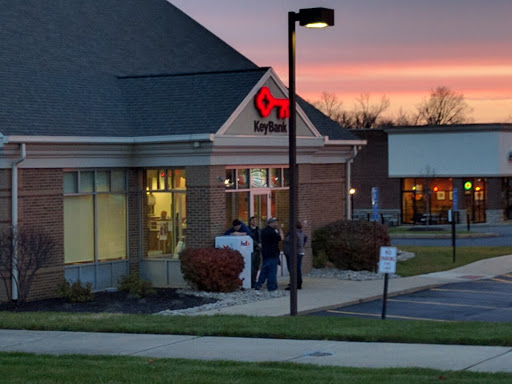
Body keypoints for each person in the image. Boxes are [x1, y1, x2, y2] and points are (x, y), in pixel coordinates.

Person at [255, 217, 283, 291]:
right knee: (272, 271)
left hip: (265, 253)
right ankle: (271, 286)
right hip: (273, 254)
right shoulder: (272, 232)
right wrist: (280, 230)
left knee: (264, 270)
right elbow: (281, 238)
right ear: (271, 223)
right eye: (275, 222)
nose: (276, 224)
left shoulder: (264, 231)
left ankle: (259, 284)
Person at [283, 222, 308, 290]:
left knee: (293, 269)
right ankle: (297, 282)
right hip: (299, 252)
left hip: (293, 253)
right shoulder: (301, 232)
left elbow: (287, 240)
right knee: (297, 268)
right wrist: (302, 246)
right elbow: (306, 238)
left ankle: (295, 284)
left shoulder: (293, 233)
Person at [248, 216, 262, 289]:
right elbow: (249, 239)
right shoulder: (248, 230)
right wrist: (257, 244)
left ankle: (254, 280)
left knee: (257, 266)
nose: (254, 222)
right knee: (252, 267)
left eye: (255, 221)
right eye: (253, 220)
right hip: (251, 250)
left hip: (258, 251)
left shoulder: (259, 230)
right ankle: (251, 282)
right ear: (250, 222)